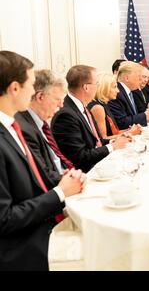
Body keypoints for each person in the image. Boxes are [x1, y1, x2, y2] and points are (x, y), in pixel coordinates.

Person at [0, 50, 85, 270]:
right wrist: (60, 193)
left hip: (38, 224)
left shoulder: (13, 126)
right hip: (22, 247)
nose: (33, 91)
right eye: (30, 84)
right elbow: (5, 219)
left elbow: (32, 179)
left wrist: (63, 180)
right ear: (15, 88)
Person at [52, 65, 130, 172]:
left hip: (95, 165)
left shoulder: (82, 106)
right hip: (84, 173)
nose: (98, 87)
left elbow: (95, 141)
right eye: (97, 84)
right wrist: (113, 146)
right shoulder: (66, 115)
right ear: (86, 87)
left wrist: (115, 140)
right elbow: (80, 157)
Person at [15, 70, 72, 186]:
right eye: (58, 100)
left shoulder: (41, 122)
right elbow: (42, 174)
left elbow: (56, 161)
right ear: (40, 96)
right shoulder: (24, 127)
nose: (61, 105)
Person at [88, 72, 141, 138]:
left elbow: (113, 132)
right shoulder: (98, 108)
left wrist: (129, 130)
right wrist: (130, 132)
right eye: (114, 87)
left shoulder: (105, 104)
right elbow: (103, 139)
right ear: (105, 88)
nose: (118, 91)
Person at [108, 61, 149, 129]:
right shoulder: (117, 93)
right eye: (138, 76)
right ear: (127, 78)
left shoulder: (130, 91)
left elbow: (133, 115)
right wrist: (145, 115)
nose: (141, 80)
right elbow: (121, 122)